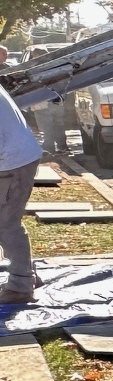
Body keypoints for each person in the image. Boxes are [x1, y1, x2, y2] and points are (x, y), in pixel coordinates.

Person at [0, 46, 43, 305]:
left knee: (5, 223)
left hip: (12, 160)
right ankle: (26, 275)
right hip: (17, 155)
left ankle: (20, 286)